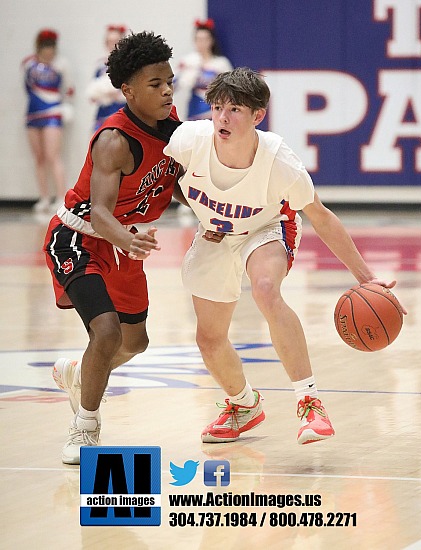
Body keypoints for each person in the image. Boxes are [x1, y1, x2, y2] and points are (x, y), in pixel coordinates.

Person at [163, 67, 407, 446]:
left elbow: (322, 218)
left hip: (266, 227)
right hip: (214, 232)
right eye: (217, 107)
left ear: (258, 115)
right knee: (209, 340)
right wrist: (197, 214)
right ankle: (243, 405)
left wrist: (365, 277)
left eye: (235, 110)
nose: (223, 118)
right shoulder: (188, 140)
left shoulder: (280, 162)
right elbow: (159, 179)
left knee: (265, 288)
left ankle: (309, 402)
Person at [44, 31, 183, 465]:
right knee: (104, 331)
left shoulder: (172, 125)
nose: (166, 91)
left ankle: (80, 375)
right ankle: (84, 428)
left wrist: (212, 217)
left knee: (134, 342)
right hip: (79, 234)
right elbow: (101, 213)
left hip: (123, 240)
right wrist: (128, 238)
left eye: (169, 81)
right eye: (154, 84)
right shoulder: (113, 140)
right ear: (127, 90)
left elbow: (171, 182)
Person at [22, 29, 74, 213]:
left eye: (52, 46)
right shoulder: (29, 64)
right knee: (39, 158)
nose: (49, 50)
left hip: (53, 112)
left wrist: (66, 107)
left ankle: (61, 197)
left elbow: (69, 88)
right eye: (45, 47)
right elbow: (27, 87)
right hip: (33, 113)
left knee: (53, 156)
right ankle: (44, 197)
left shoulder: (61, 64)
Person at [175, 18, 232, 121]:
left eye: (205, 39)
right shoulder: (188, 61)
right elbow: (172, 86)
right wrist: (183, 79)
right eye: (198, 39)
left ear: (211, 40)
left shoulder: (221, 63)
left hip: (215, 111)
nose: (202, 43)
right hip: (195, 110)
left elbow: (231, 89)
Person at [86, 24, 128, 131]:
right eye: (109, 42)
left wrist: (118, 94)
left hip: (122, 112)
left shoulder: (128, 65)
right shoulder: (100, 65)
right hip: (103, 113)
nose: (112, 45)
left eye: (116, 41)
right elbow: (92, 94)